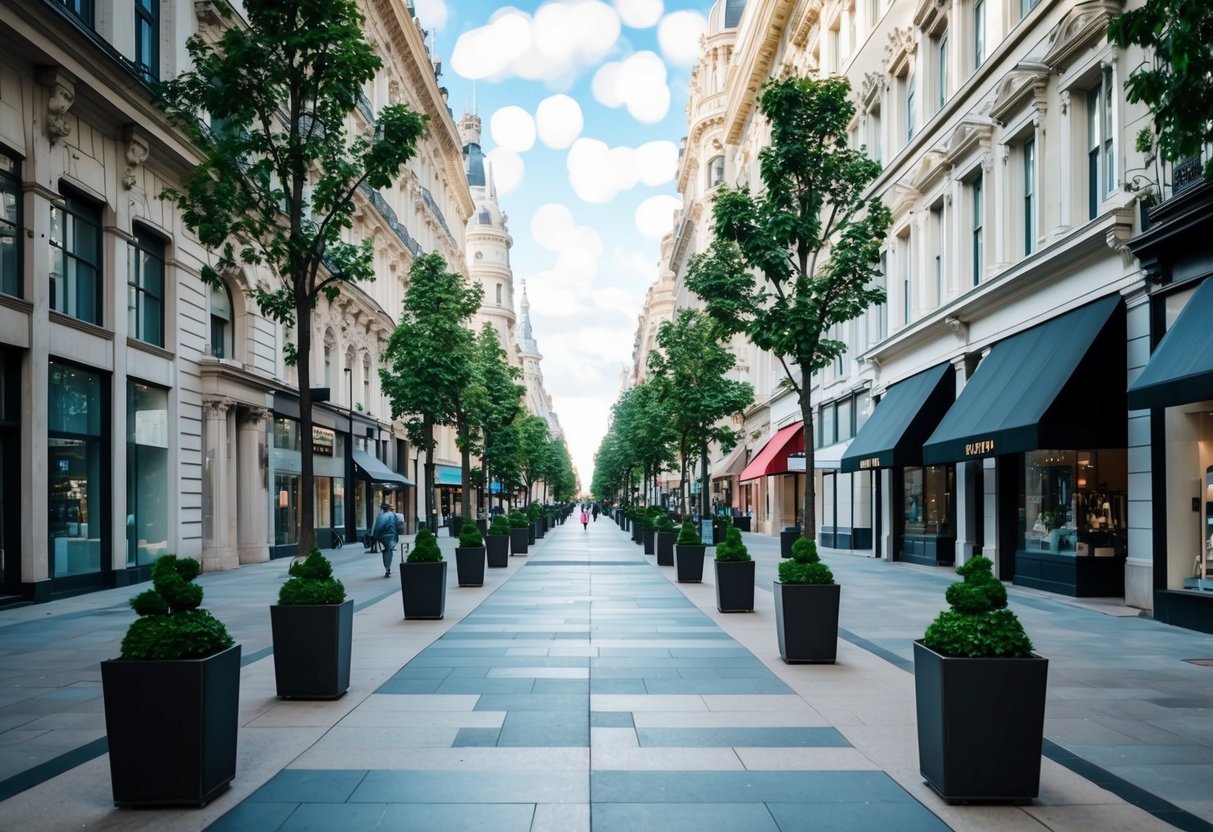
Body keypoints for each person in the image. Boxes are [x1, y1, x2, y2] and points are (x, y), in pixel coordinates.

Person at [372, 502, 398, 578]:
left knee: (384, 551)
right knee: (389, 551)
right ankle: (388, 567)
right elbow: (396, 525)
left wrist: (375, 535)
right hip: (391, 535)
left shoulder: (380, 516)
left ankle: (386, 567)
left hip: (382, 537)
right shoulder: (392, 515)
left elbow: (377, 527)